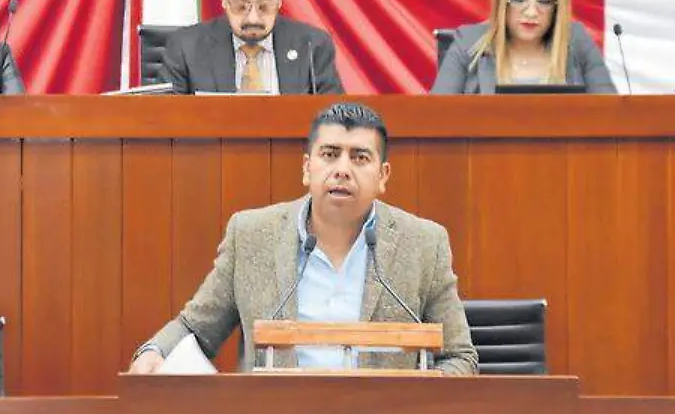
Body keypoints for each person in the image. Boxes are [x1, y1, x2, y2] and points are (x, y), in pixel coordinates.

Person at [129, 102, 478, 375]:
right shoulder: (251, 236)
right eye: (330, 155)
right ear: (307, 168)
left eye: (359, 157)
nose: (342, 169)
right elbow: (195, 328)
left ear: (383, 176)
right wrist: (154, 353)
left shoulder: (423, 243)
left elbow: (460, 357)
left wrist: (416, 401)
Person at [431, 0, 616, 94]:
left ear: (557, 5)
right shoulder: (468, 43)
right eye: (520, 0)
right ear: (503, 0)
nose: (531, 12)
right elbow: (434, 117)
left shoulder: (577, 41)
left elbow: (611, 114)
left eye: (543, 1)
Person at [161, 0, 344, 95]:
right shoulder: (186, 48)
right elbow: (162, 118)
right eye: (241, 6)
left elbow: (335, 118)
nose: (253, 19)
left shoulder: (312, 46)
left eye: (264, 6)